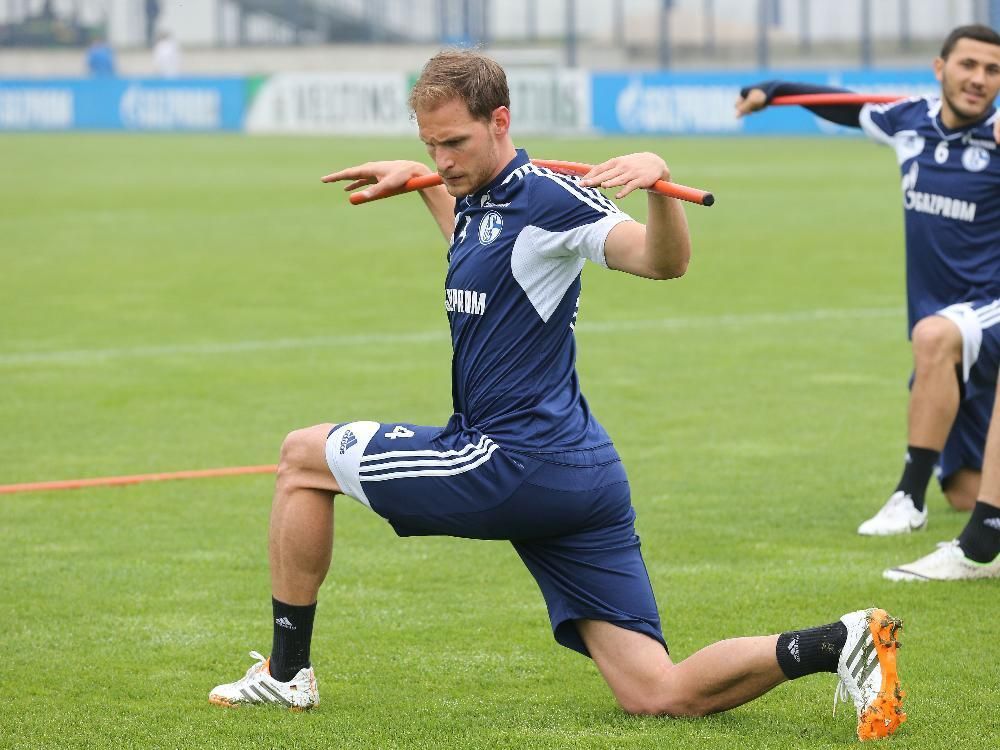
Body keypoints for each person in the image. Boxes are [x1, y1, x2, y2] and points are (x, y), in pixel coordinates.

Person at [209, 49, 906, 740]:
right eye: (429, 145)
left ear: (500, 120)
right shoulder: (478, 199)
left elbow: (665, 262)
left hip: (510, 462)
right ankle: (838, 641)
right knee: (655, 691)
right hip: (579, 475)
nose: (443, 160)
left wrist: (660, 181)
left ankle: (286, 673)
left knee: (304, 457)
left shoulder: (550, 199)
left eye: (454, 143)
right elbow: (484, 247)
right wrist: (423, 182)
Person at [736, 24, 1000, 581]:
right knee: (967, 493)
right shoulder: (909, 120)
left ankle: (908, 497)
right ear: (940, 68)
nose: (979, 79)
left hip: (982, 313)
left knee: (932, 335)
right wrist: (774, 89)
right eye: (968, 65)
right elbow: (846, 108)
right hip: (948, 331)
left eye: (993, 70)